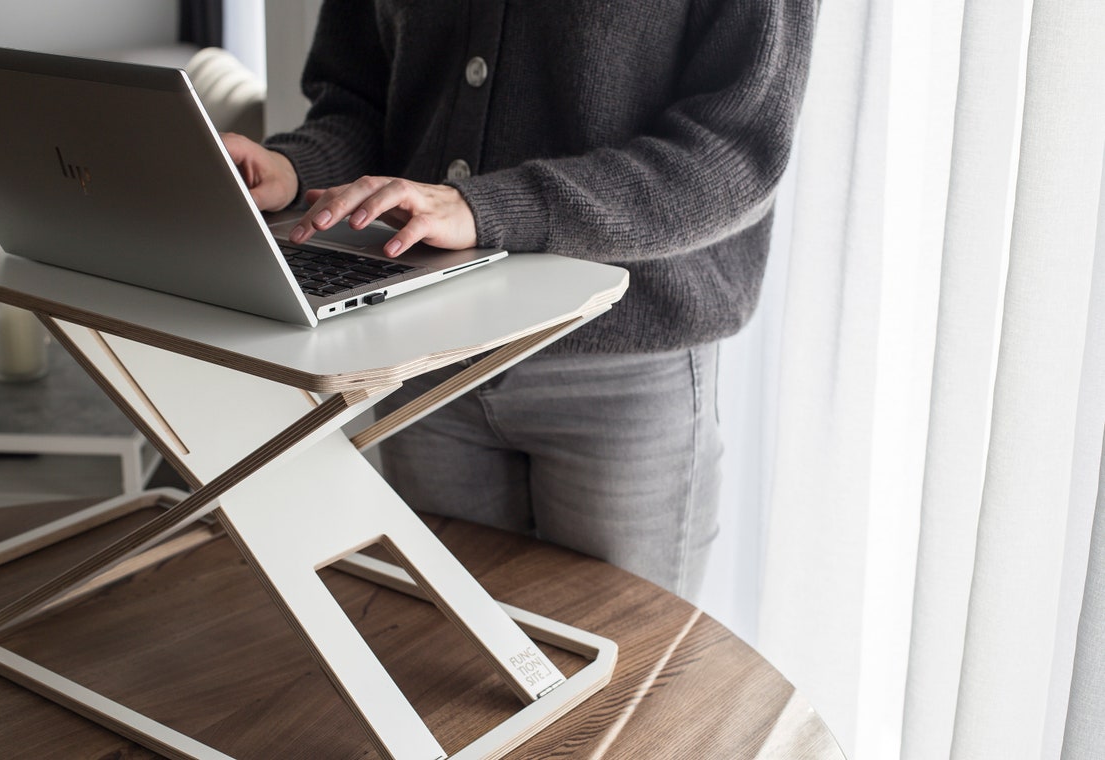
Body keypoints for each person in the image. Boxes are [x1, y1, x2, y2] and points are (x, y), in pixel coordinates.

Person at [223, 0, 816, 600]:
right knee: (446, 645)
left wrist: (485, 209)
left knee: (627, 666)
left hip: (619, 368)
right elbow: (361, 102)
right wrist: (294, 168)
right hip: (428, 351)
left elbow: (734, 154)